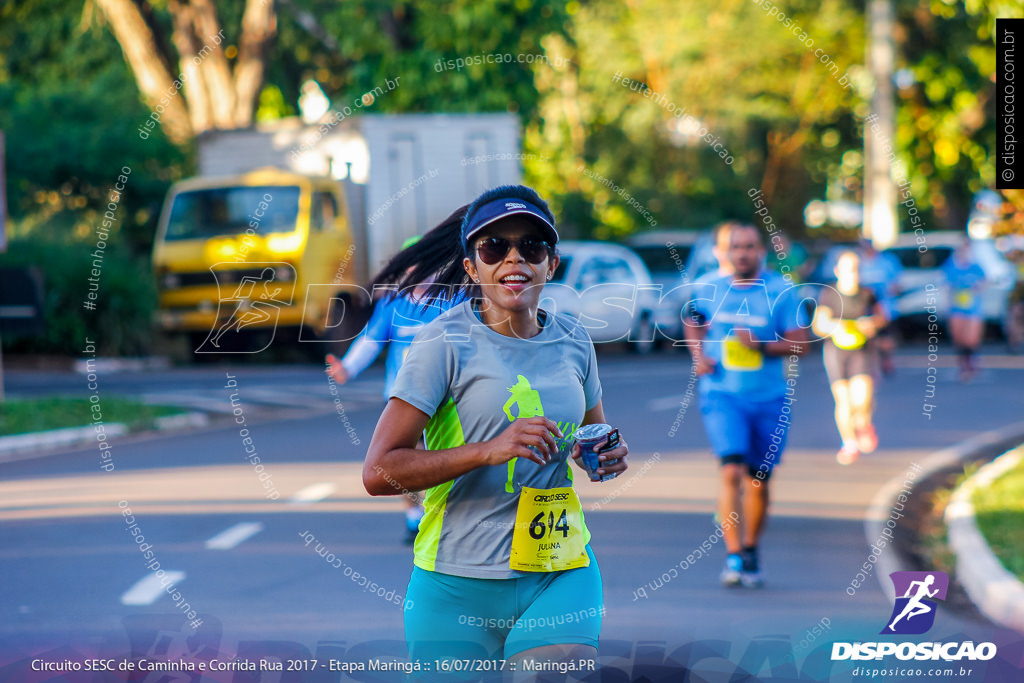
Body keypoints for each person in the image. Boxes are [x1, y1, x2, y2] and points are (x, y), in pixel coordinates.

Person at [362, 186, 629, 672]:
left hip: (560, 569)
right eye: (494, 247)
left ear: (551, 264)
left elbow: (594, 433)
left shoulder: (574, 340)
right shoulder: (441, 343)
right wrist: (489, 451)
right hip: (455, 583)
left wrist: (603, 453)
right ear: (472, 266)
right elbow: (380, 473)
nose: (515, 258)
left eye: (532, 247)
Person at [685, 223, 808, 588]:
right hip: (722, 394)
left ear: (761, 252)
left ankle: (751, 549)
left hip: (769, 398)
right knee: (730, 471)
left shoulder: (782, 291)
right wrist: (698, 356)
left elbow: (801, 343)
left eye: (750, 247)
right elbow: (693, 323)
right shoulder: (708, 287)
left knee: (758, 480)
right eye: (735, 247)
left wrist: (761, 346)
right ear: (724, 252)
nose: (742, 253)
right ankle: (734, 555)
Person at [327, 225, 467, 544]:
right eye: (412, 264)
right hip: (402, 398)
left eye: (426, 264)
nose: (419, 270)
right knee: (404, 460)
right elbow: (371, 341)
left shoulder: (454, 299)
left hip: (448, 398)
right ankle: (413, 516)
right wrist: (347, 368)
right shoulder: (394, 303)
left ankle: (445, 512)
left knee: (443, 457)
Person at [812, 251, 888, 465]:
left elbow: (882, 318)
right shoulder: (829, 295)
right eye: (848, 269)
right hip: (837, 351)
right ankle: (849, 442)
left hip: (862, 350)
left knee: (862, 399)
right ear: (838, 271)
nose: (852, 274)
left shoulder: (867, 294)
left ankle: (863, 423)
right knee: (844, 400)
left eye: (856, 269)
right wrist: (836, 326)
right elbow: (818, 325)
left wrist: (872, 324)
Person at [942, 239, 988, 382]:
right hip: (957, 308)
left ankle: (971, 362)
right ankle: (963, 363)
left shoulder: (976, 268)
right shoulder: (951, 267)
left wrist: (978, 288)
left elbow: (985, 282)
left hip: (973, 308)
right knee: (958, 338)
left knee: (971, 338)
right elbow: (946, 287)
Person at [857, 239, 903, 376]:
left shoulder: (887, 262)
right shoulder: (859, 263)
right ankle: (873, 365)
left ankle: (887, 359)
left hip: (884, 306)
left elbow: (898, 284)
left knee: (886, 337)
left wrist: (889, 290)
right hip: (865, 306)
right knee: (869, 335)